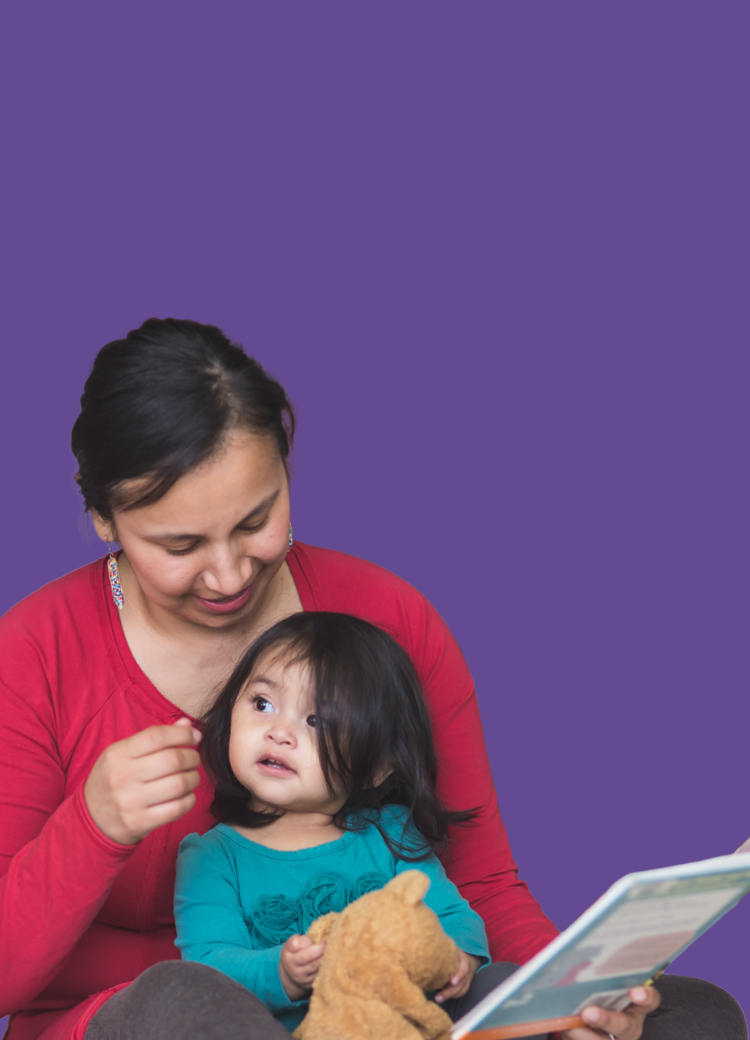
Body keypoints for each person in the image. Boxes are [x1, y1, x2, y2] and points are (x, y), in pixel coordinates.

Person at [0, 318, 744, 1040]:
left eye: (257, 520)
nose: (229, 574)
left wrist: (572, 998)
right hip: (161, 1013)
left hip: (386, 1006)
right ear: (103, 517)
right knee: (183, 999)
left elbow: (477, 882)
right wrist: (92, 826)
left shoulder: (386, 617)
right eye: (180, 544)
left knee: (691, 1016)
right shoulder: (34, 655)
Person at [172, 610, 502, 1036]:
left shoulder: (391, 832)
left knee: (499, 984)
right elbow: (208, 963)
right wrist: (283, 974)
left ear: (376, 768)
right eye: (262, 704)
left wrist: (459, 956)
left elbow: (452, 913)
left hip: (402, 1022)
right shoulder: (213, 856)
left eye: (317, 721)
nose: (278, 732)